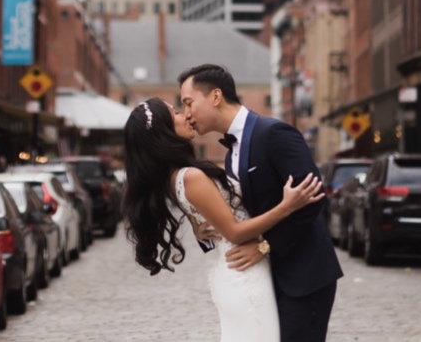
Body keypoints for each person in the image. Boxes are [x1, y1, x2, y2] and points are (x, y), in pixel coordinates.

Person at [122, 97, 325, 342]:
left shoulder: (179, 174)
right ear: (163, 132)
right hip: (244, 274)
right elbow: (235, 233)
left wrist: (201, 229)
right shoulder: (190, 176)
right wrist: (286, 206)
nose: (186, 114)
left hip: (241, 270)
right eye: (176, 112)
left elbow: (213, 223)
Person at [179, 64, 343, 342]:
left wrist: (266, 245)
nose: (187, 114)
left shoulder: (274, 133)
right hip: (267, 278)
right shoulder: (231, 152)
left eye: (189, 103)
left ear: (216, 97)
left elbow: (313, 199)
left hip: (304, 276)